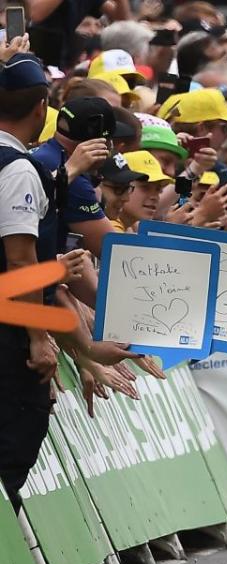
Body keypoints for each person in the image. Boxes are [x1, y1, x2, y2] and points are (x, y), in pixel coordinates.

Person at [0, 50, 59, 513]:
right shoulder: (18, 169)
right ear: (41, 107)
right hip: (7, 329)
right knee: (13, 444)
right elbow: (21, 263)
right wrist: (38, 337)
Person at [31, 96, 126, 257]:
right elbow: (116, 253)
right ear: (101, 144)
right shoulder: (72, 179)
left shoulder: (45, 154)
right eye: (111, 142)